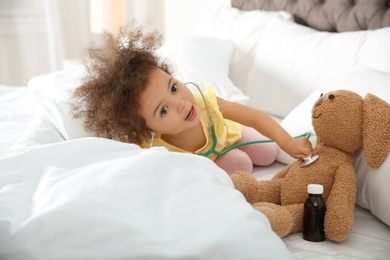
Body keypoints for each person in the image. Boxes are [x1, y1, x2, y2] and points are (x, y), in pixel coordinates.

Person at [72, 21, 313, 175]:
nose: (181, 105)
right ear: (147, 132)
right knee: (241, 166)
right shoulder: (149, 149)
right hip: (212, 159)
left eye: (174, 88)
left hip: (229, 134)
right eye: (163, 111)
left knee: (269, 152)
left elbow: (253, 116)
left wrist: (288, 143)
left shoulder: (203, 102)